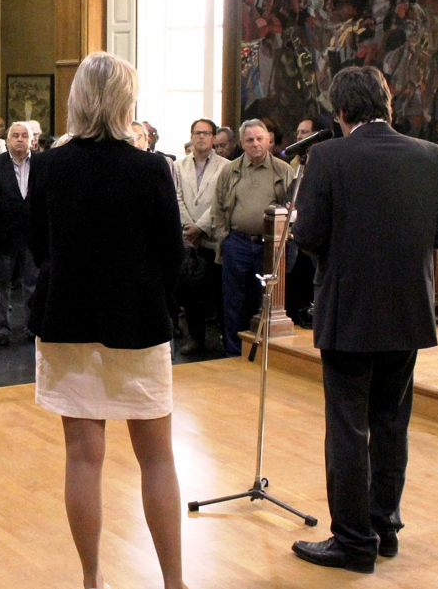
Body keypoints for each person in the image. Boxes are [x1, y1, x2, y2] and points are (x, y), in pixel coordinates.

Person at [29, 51, 184, 589]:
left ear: (77, 99)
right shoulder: (150, 168)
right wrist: (158, 300)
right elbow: (173, 253)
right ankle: (174, 583)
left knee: (83, 458)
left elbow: (36, 245)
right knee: (157, 458)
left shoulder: (49, 165)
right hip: (138, 323)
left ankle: (92, 580)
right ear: (126, 101)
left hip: (67, 317)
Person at [291, 66, 438, 573]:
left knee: (346, 427)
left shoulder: (329, 156)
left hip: (349, 314)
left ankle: (353, 541)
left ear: (340, 111)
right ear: (387, 101)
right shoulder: (430, 156)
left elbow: (310, 235)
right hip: (407, 313)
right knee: (390, 423)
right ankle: (385, 529)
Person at [211, 118, 295, 355]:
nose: (255, 144)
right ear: (242, 143)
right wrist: (224, 239)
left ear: (269, 140)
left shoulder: (283, 170)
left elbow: (292, 210)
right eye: (250, 140)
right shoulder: (230, 170)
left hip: (269, 246)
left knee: (264, 301)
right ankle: (232, 352)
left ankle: (262, 352)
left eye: (260, 139)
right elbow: (217, 208)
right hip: (236, 243)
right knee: (233, 303)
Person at [174, 118, 229, 355]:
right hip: (188, 238)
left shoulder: (226, 166)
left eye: (206, 133)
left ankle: (224, 341)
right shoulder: (179, 165)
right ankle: (195, 338)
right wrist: (189, 226)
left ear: (214, 138)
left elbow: (221, 201)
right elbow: (176, 196)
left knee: (216, 291)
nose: (201, 137)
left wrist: (200, 227)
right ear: (191, 136)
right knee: (188, 291)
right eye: (197, 133)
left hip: (212, 237)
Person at [0, 121, 38, 346]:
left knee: (32, 284)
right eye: (15, 135)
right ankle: (0, 327)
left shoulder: (41, 163)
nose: (19, 139)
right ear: (7, 140)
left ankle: (32, 326)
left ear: (31, 140)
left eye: (24, 135)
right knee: (1, 284)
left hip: (33, 235)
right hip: (3, 234)